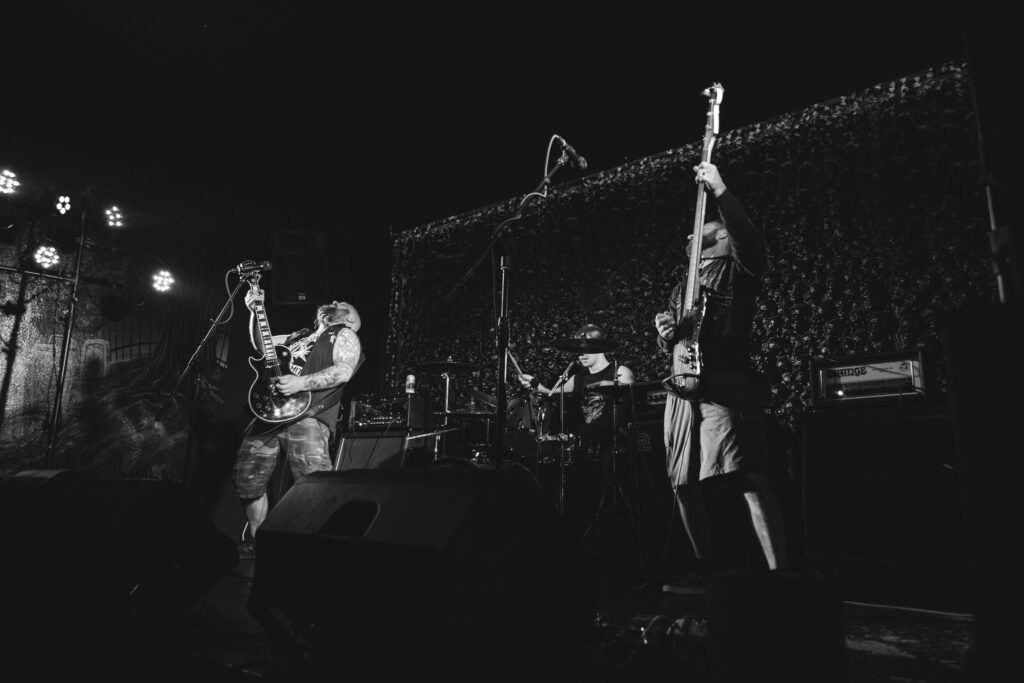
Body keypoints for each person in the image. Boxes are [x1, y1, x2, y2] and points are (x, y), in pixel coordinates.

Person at [654, 161, 788, 594]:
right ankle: (706, 566)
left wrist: (719, 189)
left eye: (706, 229)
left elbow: (748, 239)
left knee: (746, 473)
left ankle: (779, 574)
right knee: (682, 483)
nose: (693, 235)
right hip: (681, 389)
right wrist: (665, 333)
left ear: (724, 237)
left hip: (723, 383)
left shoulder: (737, 269)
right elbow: (677, 339)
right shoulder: (682, 286)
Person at [233, 290, 364, 557]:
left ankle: (311, 548)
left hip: (308, 415)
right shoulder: (299, 335)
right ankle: (258, 541)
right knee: (248, 477)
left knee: (313, 482)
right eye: (334, 301)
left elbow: (343, 371)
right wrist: (255, 310)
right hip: (269, 415)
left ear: (351, 319)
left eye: (342, 304)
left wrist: (300, 383)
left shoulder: (344, 334)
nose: (334, 302)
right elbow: (262, 345)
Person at [517, 324, 636, 535]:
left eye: (586, 349)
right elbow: (552, 393)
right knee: (581, 491)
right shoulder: (578, 377)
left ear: (600, 347)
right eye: (578, 351)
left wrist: (610, 384)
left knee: (610, 487)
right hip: (585, 444)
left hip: (612, 443)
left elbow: (631, 392)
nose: (581, 355)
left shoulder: (619, 371)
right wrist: (534, 383)